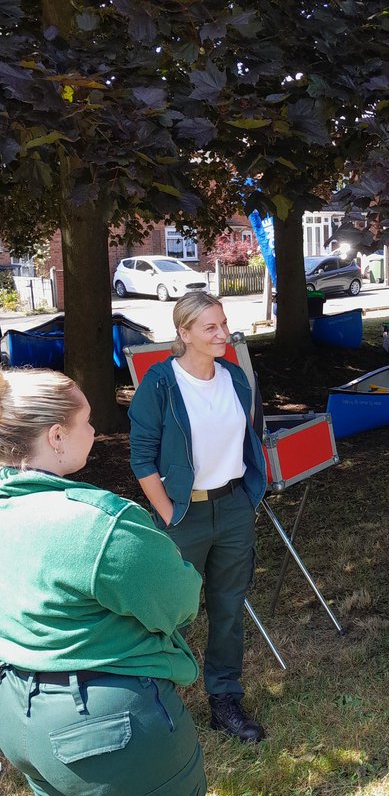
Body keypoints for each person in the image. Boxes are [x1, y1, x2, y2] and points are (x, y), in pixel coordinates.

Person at [0, 368, 237, 796]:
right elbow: (177, 599)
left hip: (21, 716)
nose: (96, 431)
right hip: (111, 730)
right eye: (84, 422)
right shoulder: (94, 522)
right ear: (54, 436)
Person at [128, 291, 267, 743]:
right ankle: (157, 701)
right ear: (183, 333)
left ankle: (224, 700)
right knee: (174, 612)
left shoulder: (233, 376)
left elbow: (249, 435)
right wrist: (167, 513)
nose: (223, 333)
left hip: (233, 508)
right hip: (183, 512)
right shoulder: (161, 383)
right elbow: (142, 458)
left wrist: (247, 496)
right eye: (211, 327)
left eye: (223, 323)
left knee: (228, 610)